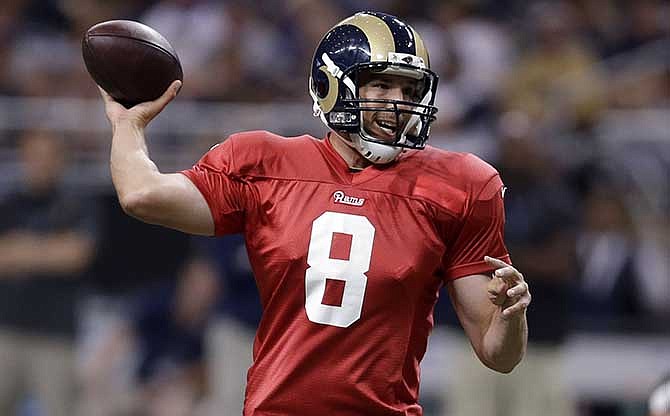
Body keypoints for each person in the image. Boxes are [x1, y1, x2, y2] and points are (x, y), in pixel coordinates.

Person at [97, 11, 531, 415]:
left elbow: (498, 354)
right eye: (381, 85)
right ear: (332, 86)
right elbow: (142, 195)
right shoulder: (263, 162)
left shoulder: (461, 185)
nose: (398, 102)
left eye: (409, 88)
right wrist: (126, 125)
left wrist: (512, 316)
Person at [0, 130, 97, 416]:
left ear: (61, 160)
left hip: (56, 335)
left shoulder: (77, 203)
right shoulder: (8, 203)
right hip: (6, 330)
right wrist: (50, 249)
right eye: (34, 156)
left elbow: (75, 255)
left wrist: (19, 248)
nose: (40, 163)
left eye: (48, 156)